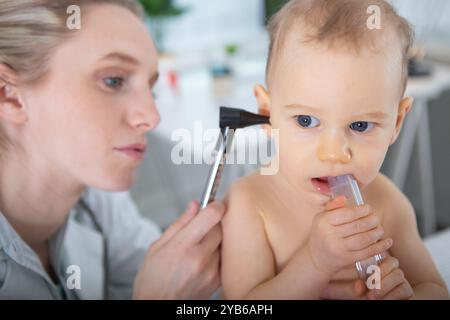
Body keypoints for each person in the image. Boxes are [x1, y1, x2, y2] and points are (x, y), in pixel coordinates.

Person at [221, 0, 449, 299]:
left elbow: (435, 288)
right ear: (267, 111)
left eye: (361, 126)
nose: (334, 154)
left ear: (396, 122)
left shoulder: (389, 206)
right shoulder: (250, 205)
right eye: (306, 120)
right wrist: (315, 263)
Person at [0, 0, 225, 299]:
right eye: (113, 80)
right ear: (10, 96)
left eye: (151, 89)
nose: (151, 116)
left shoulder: (101, 204)